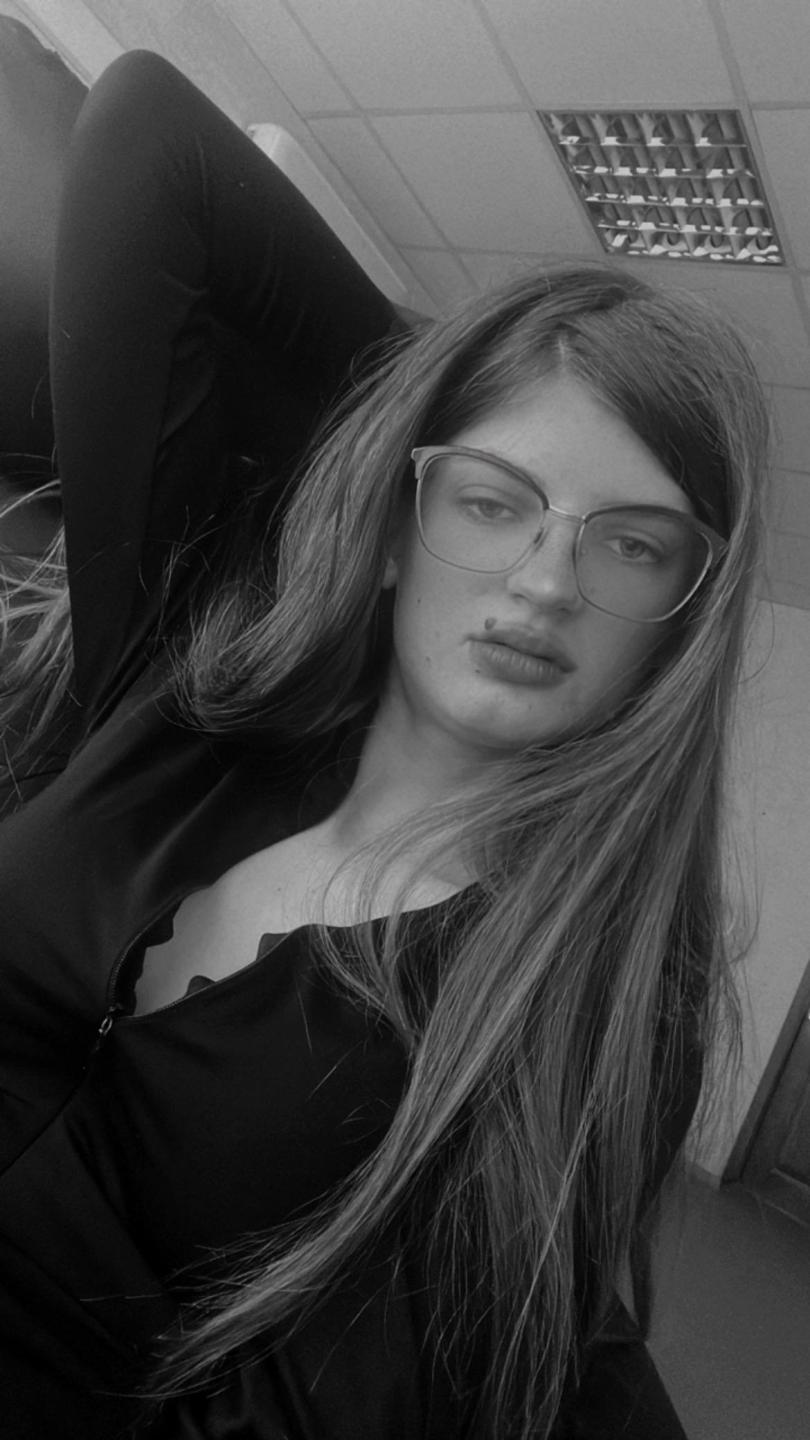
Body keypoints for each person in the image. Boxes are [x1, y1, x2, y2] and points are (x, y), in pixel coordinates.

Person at [0, 49, 768, 1440]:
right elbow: (151, 136)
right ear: (400, 522)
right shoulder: (193, 683)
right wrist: (454, 395)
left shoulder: (587, 1000)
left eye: (631, 544)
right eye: (492, 502)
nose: (544, 581)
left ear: (677, 628)